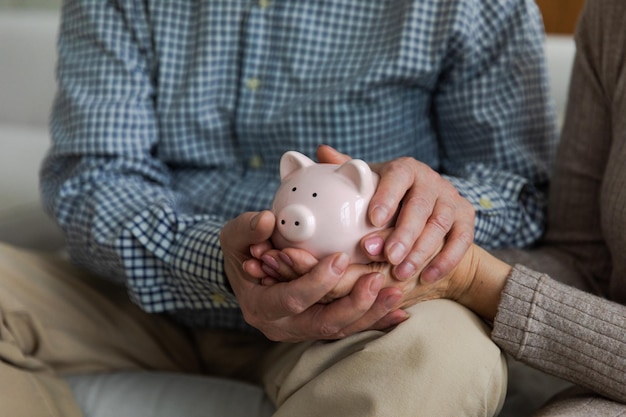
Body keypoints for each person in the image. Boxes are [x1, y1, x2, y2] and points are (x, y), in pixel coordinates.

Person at [0, 0, 556, 416]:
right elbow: (92, 178)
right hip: (135, 301)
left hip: (357, 314)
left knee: (448, 352)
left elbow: (519, 191)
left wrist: (429, 217)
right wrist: (218, 264)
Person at [262, 0, 626, 414]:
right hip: (182, 303)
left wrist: (463, 269)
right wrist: (418, 250)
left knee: (444, 351)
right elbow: (584, 263)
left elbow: (518, 195)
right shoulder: (613, 18)